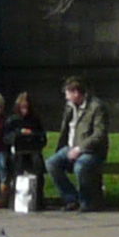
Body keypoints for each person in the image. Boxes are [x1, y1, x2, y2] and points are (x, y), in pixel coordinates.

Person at [46, 76, 107, 212]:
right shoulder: (70, 107)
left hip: (92, 151)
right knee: (51, 163)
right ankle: (71, 199)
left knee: (80, 167)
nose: (66, 97)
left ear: (76, 93)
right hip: (70, 147)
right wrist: (64, 149)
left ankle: (87, 201)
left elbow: (99, 134)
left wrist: (80, 149)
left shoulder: (96, 107)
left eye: (68, 94)